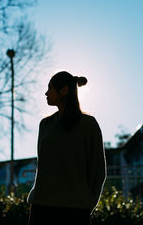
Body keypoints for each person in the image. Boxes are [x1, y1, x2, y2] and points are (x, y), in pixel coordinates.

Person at [27, 71, 107, 225]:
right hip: (41, 207)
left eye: (50, 88)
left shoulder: (89, 124)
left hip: (76, 211)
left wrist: (88, 203)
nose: (46, 93)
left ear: (63, 90)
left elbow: (98, 170)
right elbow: (42, 166)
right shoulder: (45, 125)